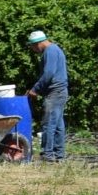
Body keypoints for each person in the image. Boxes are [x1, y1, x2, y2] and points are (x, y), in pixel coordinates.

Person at [25, 30, 68, 163]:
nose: (33, 50)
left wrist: (35, 90)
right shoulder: (55, 50)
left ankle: (47, 155)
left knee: (48, 124)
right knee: (58, 125)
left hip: (55, 92)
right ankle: (59, 155)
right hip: (60, 91)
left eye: (32, 47)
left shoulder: (50, 51)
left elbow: (49, 73)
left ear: (37, 44)